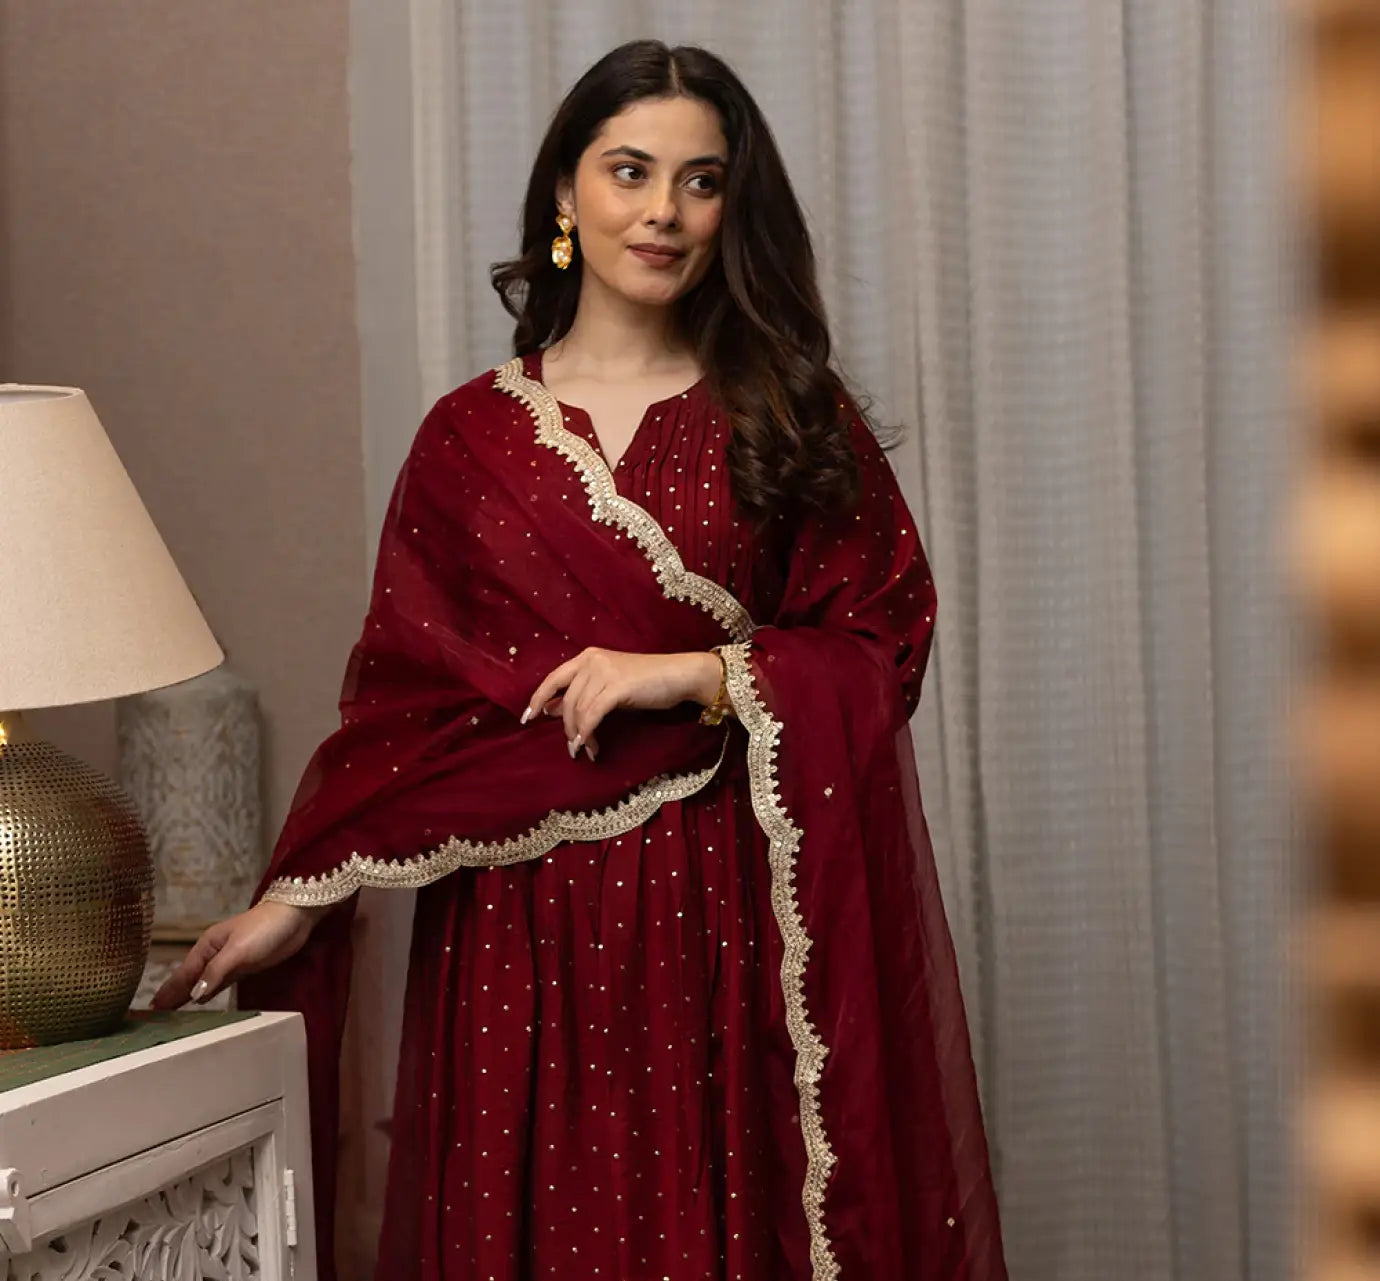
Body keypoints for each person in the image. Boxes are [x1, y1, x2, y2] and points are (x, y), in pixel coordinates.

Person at [156, 39, 1006, 1281]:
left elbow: (884, 642)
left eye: (701, 182)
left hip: (721, 918)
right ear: (566, 189)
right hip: (518, 937)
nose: (664, 212)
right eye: (629, 171)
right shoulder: (469, 441)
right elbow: (409, 717)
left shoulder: (785, 415)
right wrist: (299, 899)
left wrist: (699, 675)